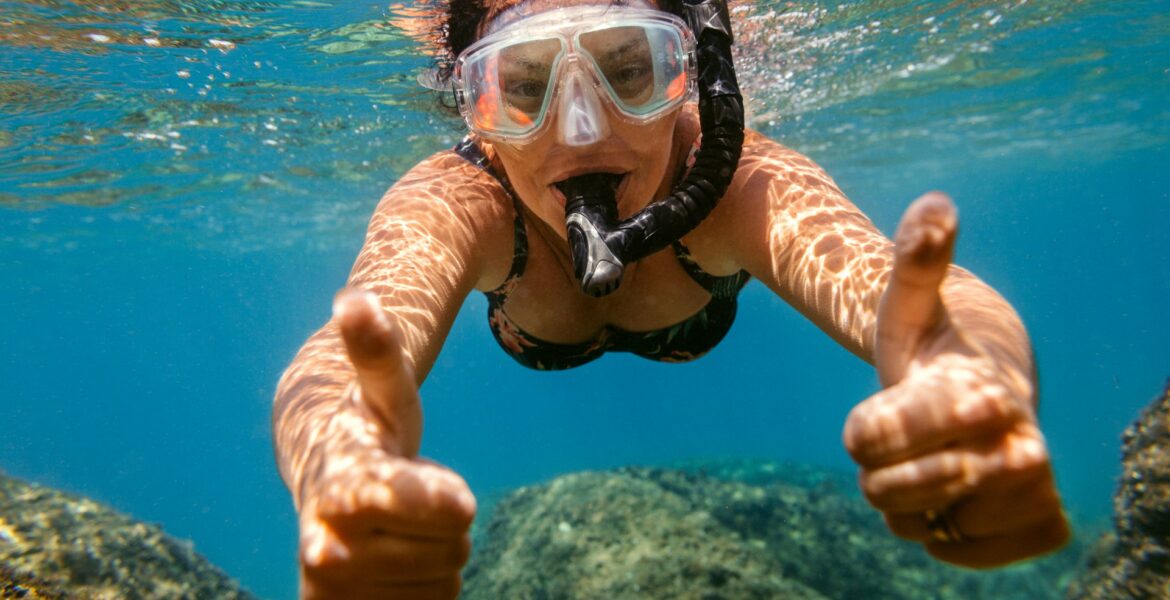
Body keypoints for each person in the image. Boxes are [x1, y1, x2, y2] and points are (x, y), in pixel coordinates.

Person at [273, 0, 1070, 597]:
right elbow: (337, 360)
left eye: (629, 71)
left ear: (691, 75)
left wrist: (971, 373)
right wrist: (339, 459)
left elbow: (894, 283)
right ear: (472, 104)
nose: (580, 132)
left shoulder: (736, 183)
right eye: (522, 85)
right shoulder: (462, 199)